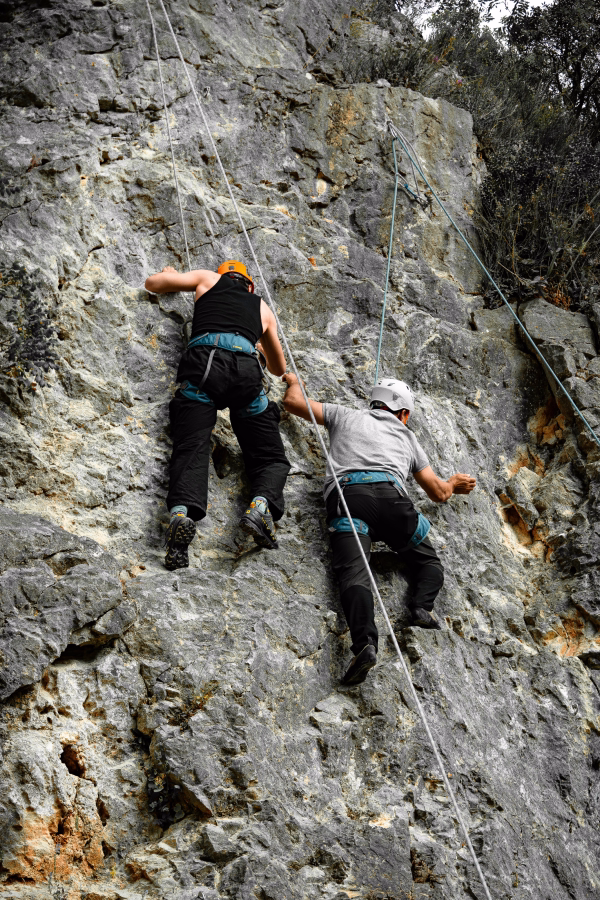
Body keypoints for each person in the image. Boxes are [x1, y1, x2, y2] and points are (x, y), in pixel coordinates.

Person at [282, 374, 476, 686]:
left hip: (349, 499)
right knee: (429, 563)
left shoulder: (345, 415)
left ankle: (365, 645)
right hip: (392, 502)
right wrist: (454, 482)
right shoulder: (407, 436)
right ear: (404, 413)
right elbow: (439, 493)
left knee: (354, 574)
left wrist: (294, 381)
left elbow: (293, 402)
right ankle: (421, 608)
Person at [145, 260, 290, 570]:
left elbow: (152, 284)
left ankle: (181, 515)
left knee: (192, 445)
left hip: (205, 365)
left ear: (224, 275)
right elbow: (279, 369)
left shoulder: (207, 279)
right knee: (270, 457)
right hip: (246, 373)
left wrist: (170, 275)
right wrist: (258, 346)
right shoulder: (262, 308)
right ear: (250, 285)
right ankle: (260, 505)